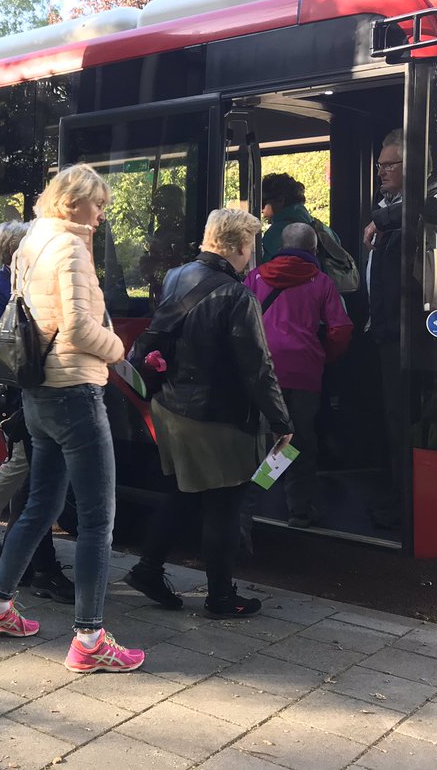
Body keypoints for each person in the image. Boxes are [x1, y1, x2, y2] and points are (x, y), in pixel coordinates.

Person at [0, 164, 144, 674]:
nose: (103, 213)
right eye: (99, 204)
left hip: (39, 392)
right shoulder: (69, 247)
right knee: (95, 519)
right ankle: (90, 639)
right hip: (74, 392)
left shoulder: (31, 244)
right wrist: (117, 350)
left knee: (39, 506)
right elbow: (80, 328)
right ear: (74, 202)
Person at [124, 208, 292, 618]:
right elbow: (257, 367)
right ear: (238, 246)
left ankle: (147, 569)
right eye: (251, 245)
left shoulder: (177, 277)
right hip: (216, 416)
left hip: (172, 407)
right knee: (226, 502)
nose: (253, 254)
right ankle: (221, 597)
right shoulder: (238, 296)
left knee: (186, 491)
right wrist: (282, 421)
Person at [0, 221, 74, 604]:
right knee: (31, 472)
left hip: (37, 387)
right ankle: (34, 564)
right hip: (13, 391)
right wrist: (26, 332)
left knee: (31, 474)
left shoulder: (35, 283)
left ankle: (26, 563)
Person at [362, 129, 437, 527]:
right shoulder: (390, 204)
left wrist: (379, 219)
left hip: (415, 333)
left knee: (407, 417)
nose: (381, 171)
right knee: (391, 417)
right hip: (387, 330)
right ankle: (397, 493)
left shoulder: (435, 199)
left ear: (414, 166)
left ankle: (407, 501)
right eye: (380, 165)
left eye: (389, 165)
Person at [244, 222, 352, 528]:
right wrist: (323, 356)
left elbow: (238, 320)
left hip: (263, 371)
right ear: (314, 250)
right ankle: (298, 509)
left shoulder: (255, 277)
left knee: (265, 438)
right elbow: (341, 329)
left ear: (280, 246)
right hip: (303, 371)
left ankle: (250, 503)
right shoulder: (321, 283)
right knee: (295, 440)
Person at [139, 184, 194, 306]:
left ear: (174, 207)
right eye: (155, 209)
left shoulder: (189, 231)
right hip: (162, 297)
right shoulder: (160, 232)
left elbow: (181, 269)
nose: (157, 213)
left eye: (161, 208)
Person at [261, 173, 318, 261]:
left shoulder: (277, 233)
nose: (261, 210)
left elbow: (268, 271)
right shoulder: (322, 229)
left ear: (280, 200)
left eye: (263, 202)